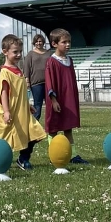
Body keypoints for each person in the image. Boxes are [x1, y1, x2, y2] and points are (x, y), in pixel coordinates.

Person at [0, 34, 46, 170]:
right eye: (15, 52)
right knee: (5, 141)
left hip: (22, 111)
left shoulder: (18, 70)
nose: (18, 55)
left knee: (35, 133)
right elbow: (4, 93)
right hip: (11, 112)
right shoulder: (5, 72)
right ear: (5, 52)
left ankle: (23, 159)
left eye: (20, 52)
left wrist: (27, 105)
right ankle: (0, 163)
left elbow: (19, 92)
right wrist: (6, 111)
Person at [44, 28, 88, 165]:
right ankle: (54, 155)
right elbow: (49, 82)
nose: (68, 44)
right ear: (54, 44)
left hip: (68, 99)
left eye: (69, 42)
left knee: (68, 127)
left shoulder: (70, 60)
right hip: (57, 100)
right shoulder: (52, 61)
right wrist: (53, 100)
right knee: (54, 129)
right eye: (64, 42)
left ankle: (73, 155)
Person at [22, 33, 52, 121]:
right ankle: (35, 126)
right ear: (34, 43)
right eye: (37, 41)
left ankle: (50, 125)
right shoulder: (31, 54)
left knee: (50, 104)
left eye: (40, 41)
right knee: (37, 105)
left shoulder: (49, 53)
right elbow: (26, 67)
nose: (39, 43)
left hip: (48, 83)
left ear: (43, 42)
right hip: (36, 84)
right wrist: (27, 81)